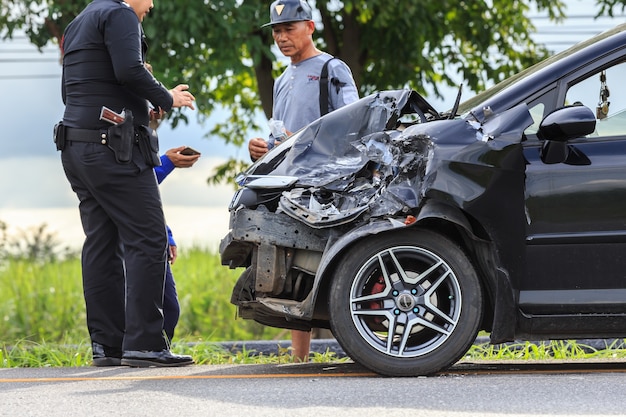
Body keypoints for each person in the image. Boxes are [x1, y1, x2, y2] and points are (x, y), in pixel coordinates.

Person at [58, 0, 196, 367]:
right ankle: (146, 344)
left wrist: (140, 109)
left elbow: (76, 92)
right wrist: (168, 97)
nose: (150, 5)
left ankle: (108, 345)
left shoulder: (80, 20)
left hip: (77, 147)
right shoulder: (120, 14)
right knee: (149, 239)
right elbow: (130, 69)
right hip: (114, 150)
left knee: (101, 244)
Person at [248, 0, 359, 361]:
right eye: (277, 31)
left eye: (289, 29)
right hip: (291, 184)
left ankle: (365, 351)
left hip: (329, 182)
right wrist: (262, 151)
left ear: (309, 27)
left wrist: (302, 140)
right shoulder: (282, 80)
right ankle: (300, 360)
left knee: (342, 264)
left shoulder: (332, 68)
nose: (282, 37)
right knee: (298, 268)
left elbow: (355, 125)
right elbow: (281, 136)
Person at [154, 147, 201, 343]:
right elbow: (133, 183)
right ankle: (148, 349)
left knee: (169, 308)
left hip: (153, 234)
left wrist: (167, 235)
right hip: (129, 241)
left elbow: (146, 198)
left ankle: (160, 349)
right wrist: (166, 163)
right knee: (158, 306)